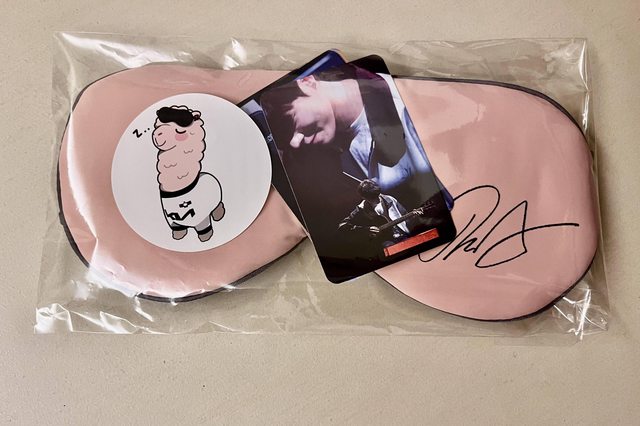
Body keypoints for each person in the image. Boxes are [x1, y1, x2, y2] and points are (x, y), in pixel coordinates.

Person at [339, 180, 422, 250]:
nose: (377, 200)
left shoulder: (390, 199)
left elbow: (405, 215)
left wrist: (413, 216)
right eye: (373, 199)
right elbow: (342, 225)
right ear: (364, 198)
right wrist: (365, 230)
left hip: (404, 235)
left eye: (377, 196)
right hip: (386, 241)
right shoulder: (360, 209)